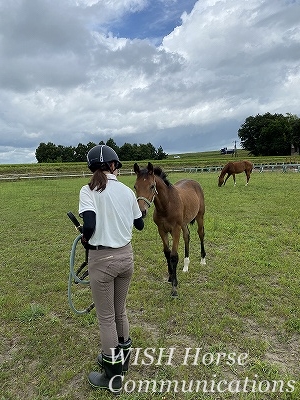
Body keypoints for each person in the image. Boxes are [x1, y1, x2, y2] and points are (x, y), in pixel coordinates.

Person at [78, 144, 144, 394]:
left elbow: (90, 225)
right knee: (120, 311)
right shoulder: (127, 191)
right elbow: (139, 225)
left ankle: (112, 376)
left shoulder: (88, 190)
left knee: (106, 318)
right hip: (126, 258)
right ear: (114, 166)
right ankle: (123, 357)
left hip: (102, 261)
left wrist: (85, 238)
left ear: (92, 167)